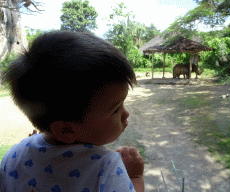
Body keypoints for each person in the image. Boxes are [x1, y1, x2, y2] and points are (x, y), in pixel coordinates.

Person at [0, 30, 144, 192]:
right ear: (66, 130)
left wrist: (33, 145)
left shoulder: (13, 156)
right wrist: (134, 177)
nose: (126, 114)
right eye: (116, 109)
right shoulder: (106, 168)